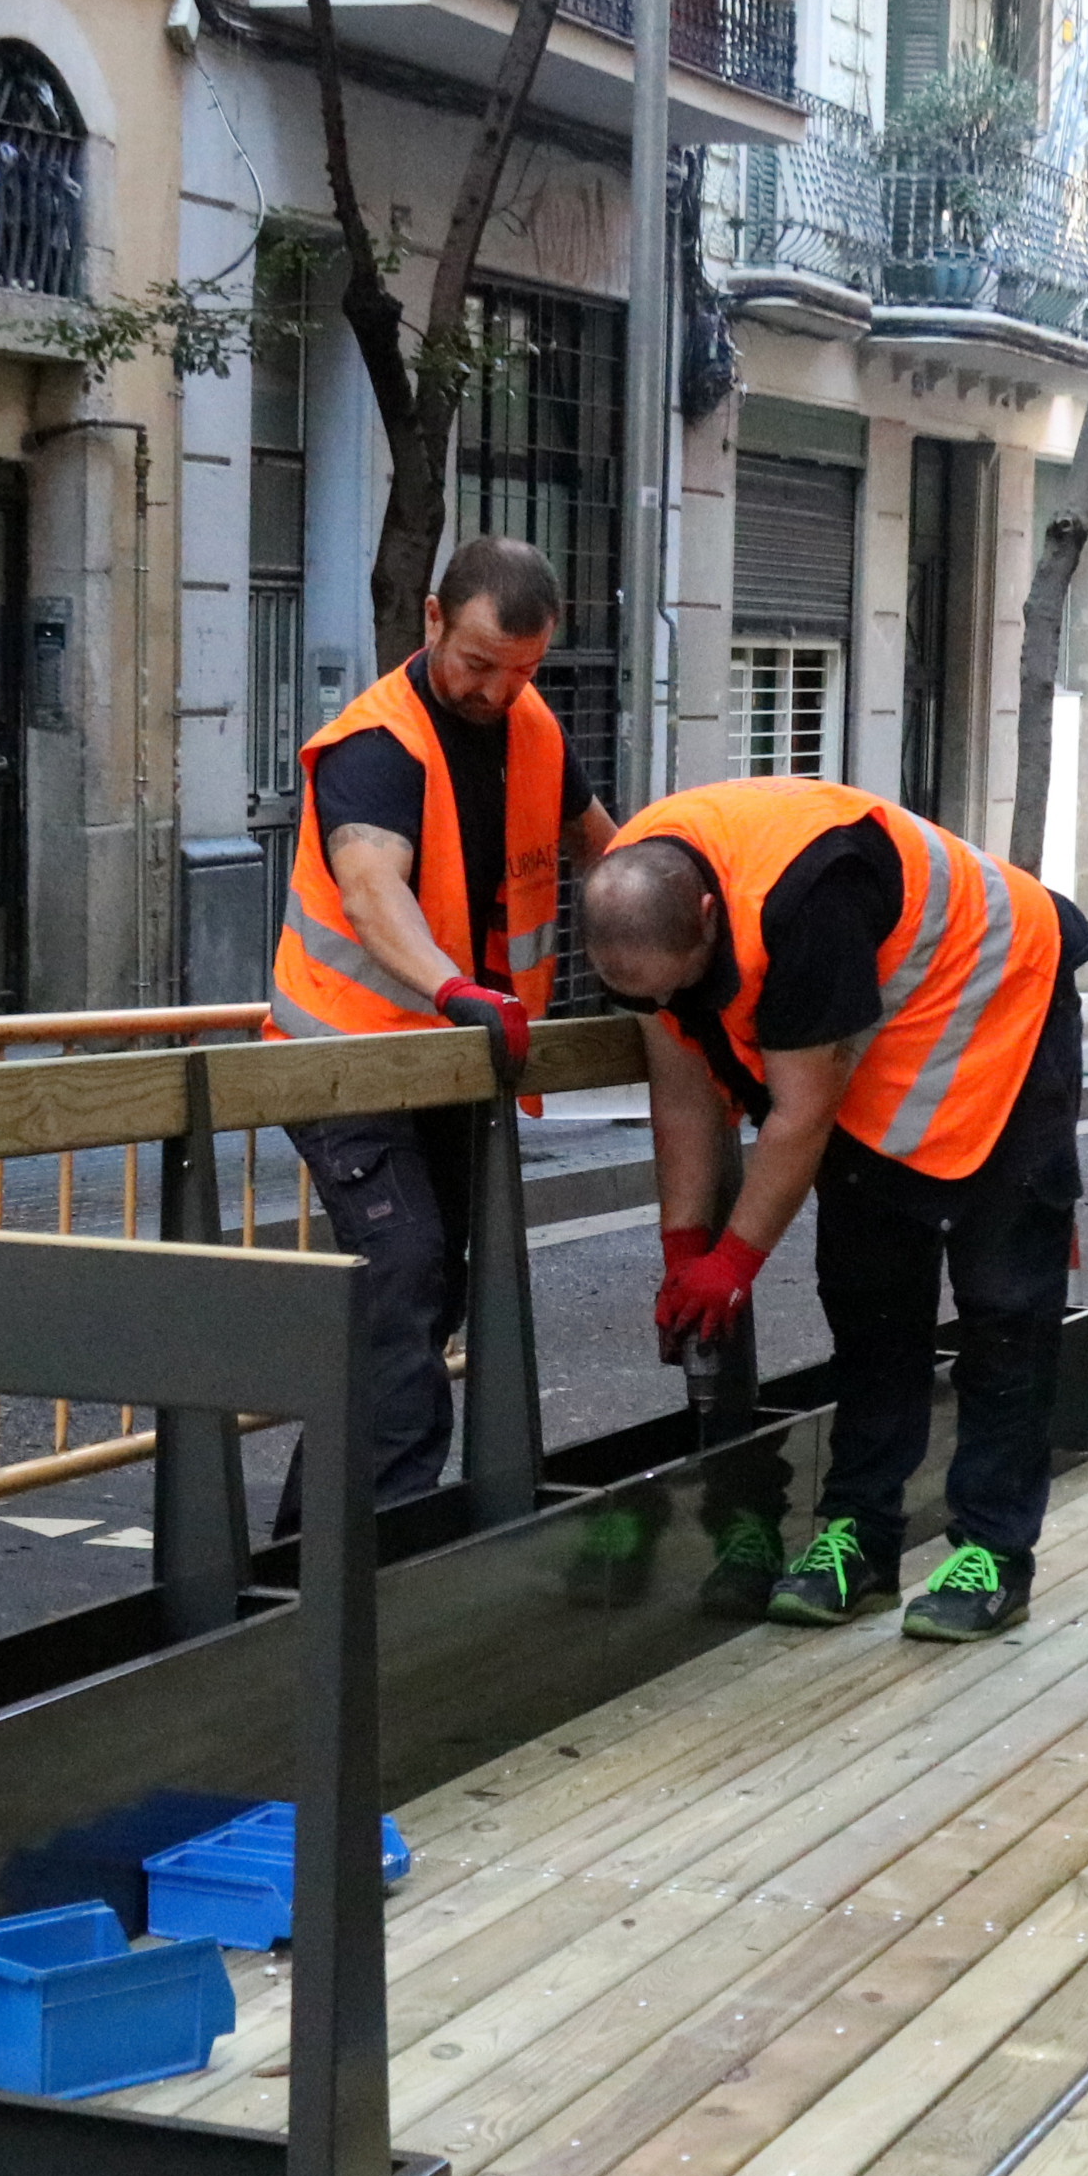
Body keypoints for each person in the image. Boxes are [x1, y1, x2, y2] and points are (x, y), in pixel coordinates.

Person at [576, 775, 1088, 1643]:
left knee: (1004, 1299)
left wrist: (733, 1263)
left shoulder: (804, 902)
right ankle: (858, 1535)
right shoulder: (643, 905)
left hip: (1000, 1001)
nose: (661, 1008)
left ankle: (993, 1552)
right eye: (641, 998)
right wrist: (683, 1247)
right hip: (877, 1035)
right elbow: (682, 1095)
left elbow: (800, 1114)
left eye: (673, 989)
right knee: (869, 1292)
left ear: (707, 916)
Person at [265, 535, 619, 1521]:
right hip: (348, 1059)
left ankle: (313, 1547)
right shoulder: (377, 744)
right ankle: (382, 1540)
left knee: (422, 1296)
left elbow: (608, 852)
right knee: (406, 1268)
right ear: (431, 620)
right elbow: (373, 891)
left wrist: (681, 919)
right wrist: (456, 988)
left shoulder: (533, 726)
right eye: (477, 664)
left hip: (456, 1060)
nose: (498, 693)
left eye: (523, 671)